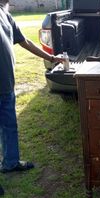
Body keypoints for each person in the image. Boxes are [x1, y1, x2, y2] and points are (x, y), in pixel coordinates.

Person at [0, 0, 64, 173]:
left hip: (6, 84)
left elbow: (25, 41)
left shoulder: (5, 15)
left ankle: (11, 162)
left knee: (10, 126)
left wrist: (51, 58)